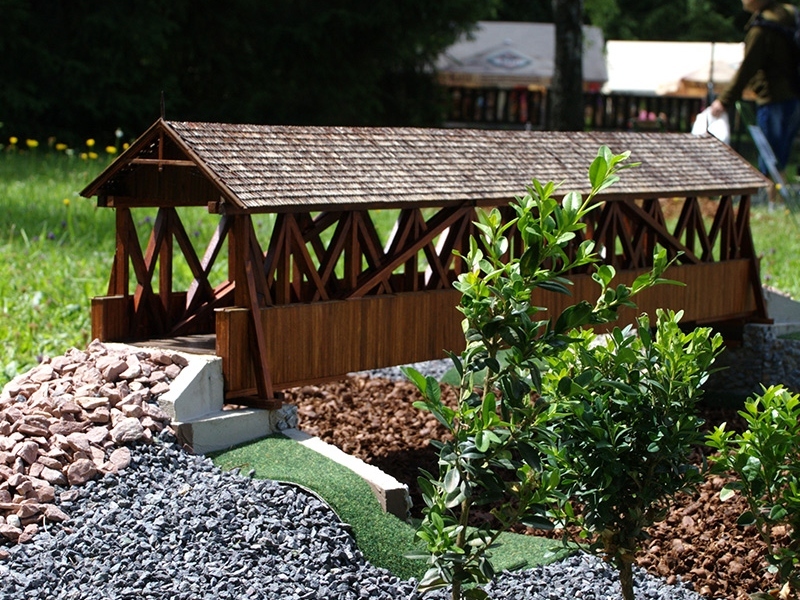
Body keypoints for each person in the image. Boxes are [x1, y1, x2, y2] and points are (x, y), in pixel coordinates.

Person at [710, 0, 800, 184]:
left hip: (772, 97)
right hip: (795, 95)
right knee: (782, 155)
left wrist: (723, 101)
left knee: (769, 156)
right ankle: (779, 201)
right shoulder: (791, 14)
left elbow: (746, 70)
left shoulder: (761, 29)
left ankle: (773, 203)